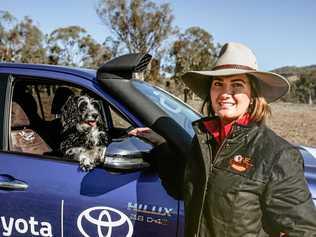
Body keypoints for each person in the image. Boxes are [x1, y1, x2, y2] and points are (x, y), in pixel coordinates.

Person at [129, 42, 316, 236]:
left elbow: (303, 230)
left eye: (237, 84)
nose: (225, 94)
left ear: (252, 95)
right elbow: (186, 191)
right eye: (218, 84)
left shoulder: (277, 154)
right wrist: (161, 146)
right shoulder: (204, 140)